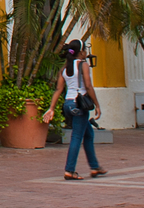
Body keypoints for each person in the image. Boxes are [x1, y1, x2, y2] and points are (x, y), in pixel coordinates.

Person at [41, 39, 105, 181]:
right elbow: (88, 86)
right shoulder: (83, 65)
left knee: (88, 134)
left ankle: (95, 167)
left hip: (68, 105)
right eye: (85, 51)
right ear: (81, 52)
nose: (87, 53)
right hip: (79, 105)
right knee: (76, 137)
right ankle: (69, 170)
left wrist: (51, 108)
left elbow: (59, 89)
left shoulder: (65, 68)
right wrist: (97, 105)